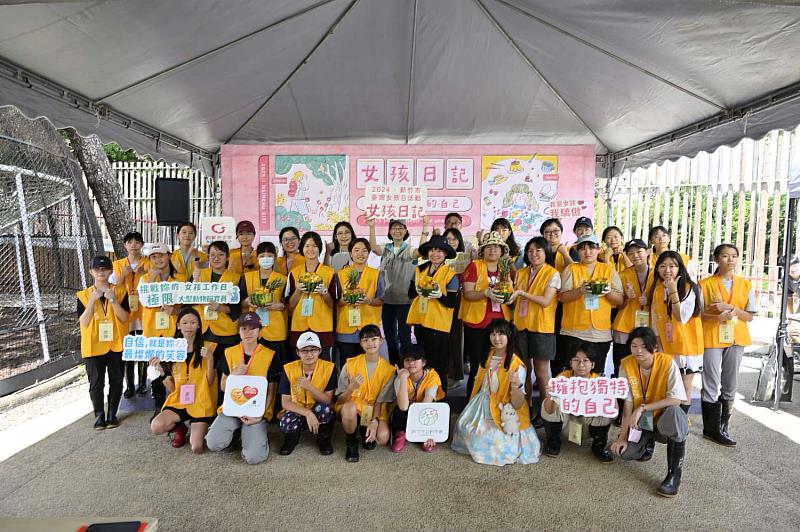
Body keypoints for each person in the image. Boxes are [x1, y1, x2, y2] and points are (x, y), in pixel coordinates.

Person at [610, 327, 689, 498]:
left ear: (654, 348)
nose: (639, 351)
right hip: (641, 421)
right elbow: (627, 406)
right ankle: (648, 442)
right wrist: (622, 437)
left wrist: (643, 408)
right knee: (625, 453)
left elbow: (676, 400)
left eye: (644, 346)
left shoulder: (668, 362)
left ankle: (674, 475)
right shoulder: (626, 364)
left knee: (675, 413)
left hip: (663, 418)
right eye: (634, 345)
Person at [452, 319, 540, 465]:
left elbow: (517, 404)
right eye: (492, 334)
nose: (496, 338)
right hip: (483, 401)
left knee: (490, 438)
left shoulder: (517, 365)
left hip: (505, 406)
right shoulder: (489, 354)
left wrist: (516, 385)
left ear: (509, 336)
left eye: (500, 334)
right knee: (465, 426)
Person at [206, 313, 281, 464]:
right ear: (239, 332)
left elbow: (271, 391)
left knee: (254, 458)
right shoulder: (230, 352)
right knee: (213, 443)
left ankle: (255, 435)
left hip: (256, 412)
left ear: (260, 332)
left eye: (253, 328)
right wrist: (233, 375)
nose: (248, 332)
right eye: (244, 328)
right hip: (232, 409)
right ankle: (237, 434)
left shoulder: (270, 355)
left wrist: (260, 415)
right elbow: (222, 387)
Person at [699, 244, 755, 446]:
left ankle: (723, 426)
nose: (730, 259)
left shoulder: (745, 284)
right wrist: (717, 315)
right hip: (712, 336)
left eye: (734, 256)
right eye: (725, 256)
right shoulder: (704, 284)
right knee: (711, 381)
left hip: (736, 337)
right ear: (716, 259)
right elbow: (697, 314)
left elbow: (749, 316)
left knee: (730, 383)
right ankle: (711, 429)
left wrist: (730, 308)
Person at [149, 308, 218, 452]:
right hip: (179, 401)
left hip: (200, 401)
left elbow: (211, 382)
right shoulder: (171, 350)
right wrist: (161, 371)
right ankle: (180, 426)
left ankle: (201, 426)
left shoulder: (209, 347)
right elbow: (173, 388)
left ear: (199, 325)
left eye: (193, 322)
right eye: (185, 322)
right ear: (178, 325)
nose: (189, 326)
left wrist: (210, 359)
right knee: (156, 426)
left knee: (197, 447)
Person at [510, 236, 560, 428]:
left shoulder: (553, 273)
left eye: (538, 250)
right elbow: (514, 298)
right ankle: (526, 407)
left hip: (542, 328)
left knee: (541, 371)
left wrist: (522, 294)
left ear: (545, 252)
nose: (534, 254)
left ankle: (547, 411)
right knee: (524, 370)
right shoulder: (522, 272)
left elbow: (546, 300)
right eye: (530, 251)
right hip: (521, 326)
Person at [557, 234, 624, 375]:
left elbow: (620, 300)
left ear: (598, 249)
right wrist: (580, 291)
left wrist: (608, 292)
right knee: (571, 373)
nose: (587, 252)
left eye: (591, 248)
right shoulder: (571, 269)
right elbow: (562, 297)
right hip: (573, 331)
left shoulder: (609, 270)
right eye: (583, 249)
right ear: (578, 251)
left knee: (597, 372)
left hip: (600, 333)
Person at [77, 255, 130, 430]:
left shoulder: (120, 291)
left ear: (110, 271)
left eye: (105, 269)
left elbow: (124, 318)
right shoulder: (83, 295)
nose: (101, 272)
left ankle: (112, 414)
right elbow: (83, 322)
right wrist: (92, 300)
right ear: (91, 271)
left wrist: (113, 300)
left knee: (116, 380)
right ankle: (99, 415)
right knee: (96, 382)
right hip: (93, 344)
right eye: (97, 269)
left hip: (116, 343)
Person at [460, 231, 515, 394]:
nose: (493, 250)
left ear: (502, 251)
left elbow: (510, 291)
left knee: (500, 363)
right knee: (478, 364)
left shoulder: (505, 268)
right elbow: (467, 294)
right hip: (477, 323)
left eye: (496, 247)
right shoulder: (474, 266)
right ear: (482, 250)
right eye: (489, 247)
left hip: (501, 323)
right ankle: (471, 404)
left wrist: (508, 296)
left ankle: (496, 401)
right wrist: (485, 293)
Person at [648, 251, 703, 415]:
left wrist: (672, 291)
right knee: (671, 386)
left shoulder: (688, 287)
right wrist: (658, 344)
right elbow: (655, 319)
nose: (667, 270)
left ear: (680, 268)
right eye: (663, 266)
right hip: (666, 345)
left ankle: (681, 424)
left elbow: (681, 317)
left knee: (685, 387)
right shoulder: (657, 289)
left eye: (672, 266)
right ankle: (672, 422)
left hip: (687, 347)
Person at [541, 345, 614, 461]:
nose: (581, 364)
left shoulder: (599, 382)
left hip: (588, 425)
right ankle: (553, 441)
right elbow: (549, 410)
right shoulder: (562, 378)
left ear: (593, 364)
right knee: (547, 403)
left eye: (586, 360)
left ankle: (599, 446)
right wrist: (551, 396)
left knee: (608, 408)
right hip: (566, 423)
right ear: (571, 363)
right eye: (576, 360)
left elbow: (613, 410)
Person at [407, 234, 459, 396]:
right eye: (432, 250)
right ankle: (424, 396)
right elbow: (409, 293)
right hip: (421, 323)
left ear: (445, 254)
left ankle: (441, 399)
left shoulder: (450, 274)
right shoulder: (420, 269)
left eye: (439, 251)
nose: (435, 254)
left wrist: (439, 295)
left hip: (439, 325)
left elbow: (452, 302)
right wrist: (419, 288)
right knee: (424, 363)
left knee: (439, 365)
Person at [336, 325, 396, 462]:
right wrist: (351, 388)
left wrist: (374, 421)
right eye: (365, 340)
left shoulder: (389, 370)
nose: (370, 343)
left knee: (382, 438)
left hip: (373, 408)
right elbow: (339, 400)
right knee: (350, 408)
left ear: (381, 341)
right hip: (351, 406)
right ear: (361, 343)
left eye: (374, 339)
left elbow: (381, 402)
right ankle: (351, 442)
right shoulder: (350, 364)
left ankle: (364, 428)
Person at [368, 217, 422, 365]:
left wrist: (425, 228)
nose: (397, 231)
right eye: (394, 228)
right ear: (390, 231)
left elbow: (421, 251)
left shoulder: (410, 249)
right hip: (387, 301)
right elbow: (373, 247)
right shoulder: (386, 248)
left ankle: (407, 366)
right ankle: (394, 366)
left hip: (405, 301)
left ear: (405, 231)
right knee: (390, 337)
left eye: (400, 228)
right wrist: (372, 227)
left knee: (405, 337)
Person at [277, 332, 337, 456]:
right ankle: (292, 440)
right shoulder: (289, 369)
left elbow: (327, 400)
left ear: (320, 351)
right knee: (286, 420)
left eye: (314, 350)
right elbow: (285, 402)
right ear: (298, 352)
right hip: (298, 410)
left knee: (326, 410)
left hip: (318, 409)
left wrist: (309, 387)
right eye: (304, 351)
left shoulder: (329, 368)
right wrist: (308, 413)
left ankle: (323, 440)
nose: (309, 354)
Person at [138, 243, 180, 417]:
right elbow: (145, 301)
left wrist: (174, 310)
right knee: (155, 368)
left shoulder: (179, 280)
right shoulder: (144, 280)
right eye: (154, 257)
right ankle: (158, 406)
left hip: (173, 331)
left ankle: (176, 403)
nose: (158, 259)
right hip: (152, 331)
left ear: (169, 256)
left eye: (161, 255)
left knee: (174, 369)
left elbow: (184, 306)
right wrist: (151, 280)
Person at [288, 231, 337, 361]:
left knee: (324, 366)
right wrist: (298, 290)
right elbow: (290, 305)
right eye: (307, 246)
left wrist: (324, 292)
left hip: (322, 326)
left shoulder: (329, 273)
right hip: (299, 326)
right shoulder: (294, 273)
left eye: (314, 246)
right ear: (302, 249)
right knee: (299, 366)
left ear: (320, 249)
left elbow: (333, 304)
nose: (311, 249)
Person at [111, 231, 149, 398]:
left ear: (141, 244)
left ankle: (142, 384)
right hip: (125, 313)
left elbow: (155, 283)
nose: (133, 245)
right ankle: (130, 385)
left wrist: (142, 275)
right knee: (127, 351)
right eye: (130, 242)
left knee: (142, 349)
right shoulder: (118, 264)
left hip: (143, 313)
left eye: (136, 242)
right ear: (125, 245)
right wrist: (123, 275)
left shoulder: (148, 263)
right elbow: (113, 285)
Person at [335, 238, 384, 362]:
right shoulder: (340, 274)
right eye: (356, 250)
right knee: (347, 366)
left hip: (369, 329)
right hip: (346, 328)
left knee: (369, 366)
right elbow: (335, 302)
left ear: (368, 253)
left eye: (364, 251)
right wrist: (344, 301)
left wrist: (369, 301)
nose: (360, 254)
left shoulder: (377, 274)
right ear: (350, 253)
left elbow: (382, 300)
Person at [194, 240, 242, 366]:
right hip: (203, 331)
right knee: (205, 370)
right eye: (212, 255)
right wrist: (194, 281)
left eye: (220, 254)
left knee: (226, 371)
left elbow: (239, 308)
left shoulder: (237, 278)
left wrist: (222, 308)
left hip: (227, 333)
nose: (216, 258)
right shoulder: (199, 275)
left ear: (227, 257)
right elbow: (189, 300)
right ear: (208, 257)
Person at [390, 344, 445, 453]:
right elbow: (403, 406)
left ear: (423, 363)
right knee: (399, 410)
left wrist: (428, 433)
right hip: (405, 410)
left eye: (415, 360)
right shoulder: (400, 377)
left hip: (424, 409)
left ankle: (426, 438)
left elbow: (426, 404)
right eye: (407, 360)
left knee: (433, 411)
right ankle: (401, 433)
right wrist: (403, 378)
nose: (411, 363)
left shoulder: (432, 376)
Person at [240, 241, 288, 363]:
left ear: (275, 257)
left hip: (276, 329)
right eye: (262, 256)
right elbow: (240, 301)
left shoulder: (283, 279)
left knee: (276, 366)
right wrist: (248, 301)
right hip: (252, 328)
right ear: (257, 258)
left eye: (269, 256)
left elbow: (287, 302)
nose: (266, 259)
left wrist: (279, 305)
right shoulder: (247, 277)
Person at [611, 239, 654, 375]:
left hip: (650, 326)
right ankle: (622, 395)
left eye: (639, 251)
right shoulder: (622, 275)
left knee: (647, 365)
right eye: (631, 253)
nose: (635, 255)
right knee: (622, 364)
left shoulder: (657, 274)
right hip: (624, 326)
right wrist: (626, 298)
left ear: (647, 252)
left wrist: (649, 300)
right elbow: (618, 304)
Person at [443, 227, 466, 382]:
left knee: (456, 337)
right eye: (448, 239)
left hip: (458, 301)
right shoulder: (438, 258)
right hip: (439, 301)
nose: (451, 242)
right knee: (442, 338)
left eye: (454, 239)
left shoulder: (465, 260)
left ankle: (455, 374)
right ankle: (442, 372)